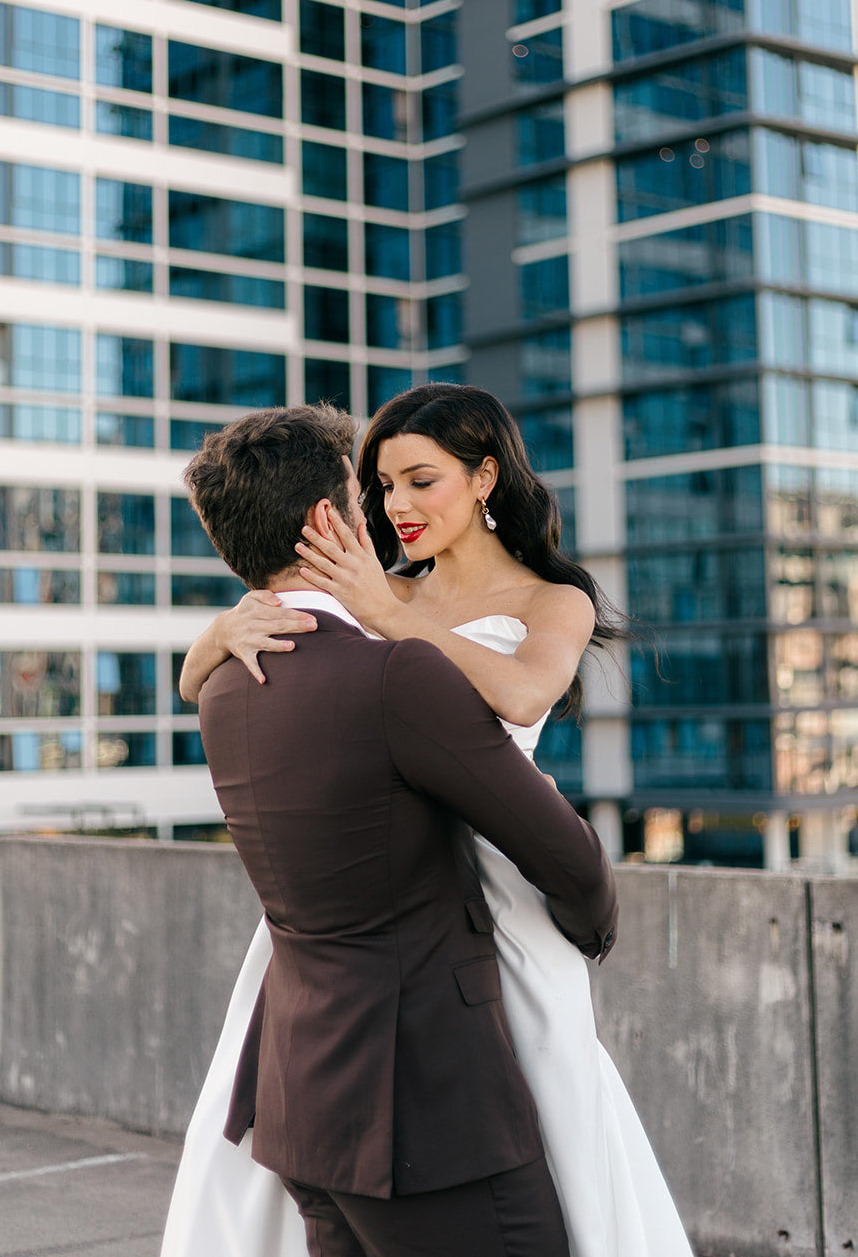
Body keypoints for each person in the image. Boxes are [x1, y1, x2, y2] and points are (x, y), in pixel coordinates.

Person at [163, 385, 694, 1257]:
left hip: (506, 880)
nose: (396, 506)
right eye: (379, 486)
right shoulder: (377, 588)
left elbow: (523, 693)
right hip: (392, 880)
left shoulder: (546, 600)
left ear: (485, 478)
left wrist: (388, 617)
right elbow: (209, 683)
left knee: (551, 1116)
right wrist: (226, 626)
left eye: (420, 480)